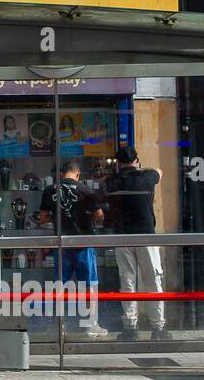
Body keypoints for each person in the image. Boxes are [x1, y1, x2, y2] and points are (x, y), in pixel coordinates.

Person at [104, 144, 167, 341]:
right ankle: (158, 328)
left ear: (118, 163)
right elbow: (160, 171)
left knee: (127, 281)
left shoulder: (112, 181)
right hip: (146, 235)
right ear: (136, 160)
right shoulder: (147, 177)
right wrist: (141, 168)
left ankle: (130, 328)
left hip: (122, 235)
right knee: (153, 280)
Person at [36, 160, 106, 336]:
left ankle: (57, 326)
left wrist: (56, 218)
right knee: (88, 285)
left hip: (62, 245)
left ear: (61, 174)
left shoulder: (49, 190)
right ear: (77, 174)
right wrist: (88, 217)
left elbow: (42, 218)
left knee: (59, 285)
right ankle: (90, 325)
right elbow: (100, 216)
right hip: (83, 243)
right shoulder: (86, 191)